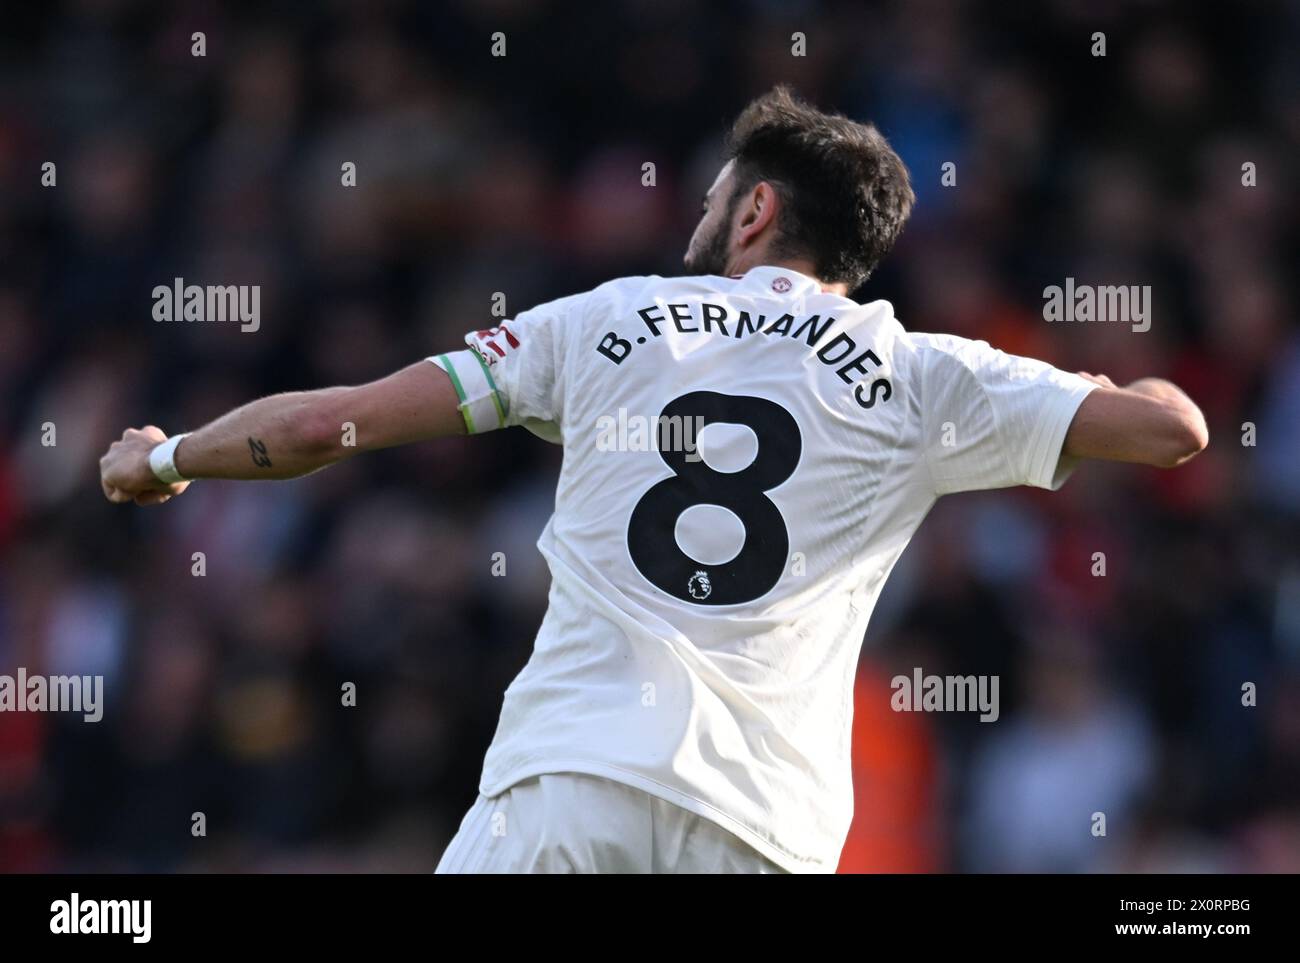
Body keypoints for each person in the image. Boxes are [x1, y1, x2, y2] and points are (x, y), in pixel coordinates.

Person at [99, 86, 1207, 873]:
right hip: (764, 829)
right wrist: (1112, 382)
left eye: (713, 198)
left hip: (570, 787)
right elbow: (1172, 435)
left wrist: (160, 458)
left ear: (756, 212)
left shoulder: (600, 321)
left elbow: (324, 424)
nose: (698, 218)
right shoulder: (924, 375)